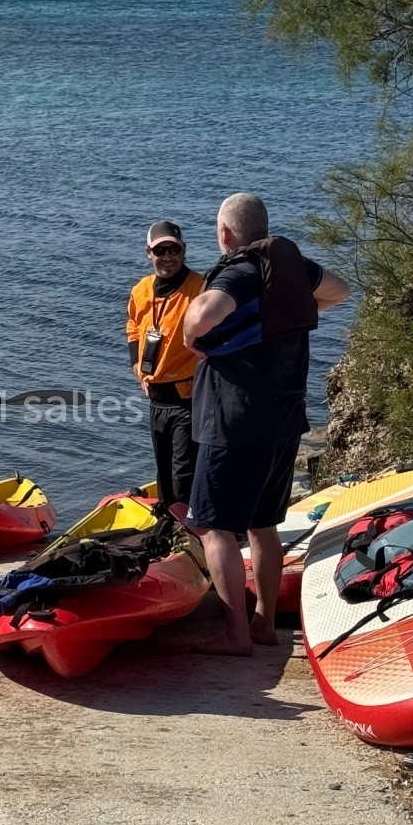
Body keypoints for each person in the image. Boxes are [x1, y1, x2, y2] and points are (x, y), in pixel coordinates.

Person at [182, 193, 351, 656]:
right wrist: (300, 310)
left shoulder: (239, 269)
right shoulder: (289, 269)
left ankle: (235, 634)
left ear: (225, 234)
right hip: (284, 417)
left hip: (235, 423)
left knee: (213, 527)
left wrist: (188, 334)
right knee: (263, 526)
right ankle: (261, 624)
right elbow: (340, 289)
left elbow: (203, 312)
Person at [126, 220, 204, 508]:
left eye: (174, 250)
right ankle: (171, 530)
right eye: (161, 251)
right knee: (165, 473)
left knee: (184, 474)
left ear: (184, 251)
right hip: (156, 398)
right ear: (149, 253)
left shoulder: (200, 288)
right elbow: (133, 326)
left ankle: (192, 534)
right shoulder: (142, 290)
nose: (168, 257)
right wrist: (137, 367)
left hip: (188, 399)